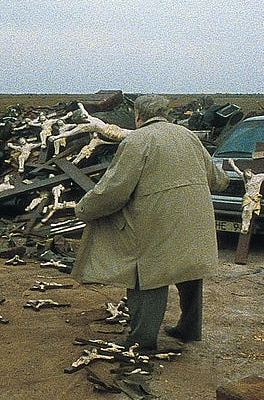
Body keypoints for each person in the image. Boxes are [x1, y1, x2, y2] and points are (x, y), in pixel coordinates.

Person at [71, 94, 230, 350]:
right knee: (188, 270)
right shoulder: (188, 136)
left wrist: (84, 209)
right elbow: (217, 180)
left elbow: (113, 191)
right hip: (195, 219)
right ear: (166, 114)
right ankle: (189, 329)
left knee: (148, 277)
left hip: (158, 222)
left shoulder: (138, 141)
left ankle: (142, 342)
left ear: (137, 115)